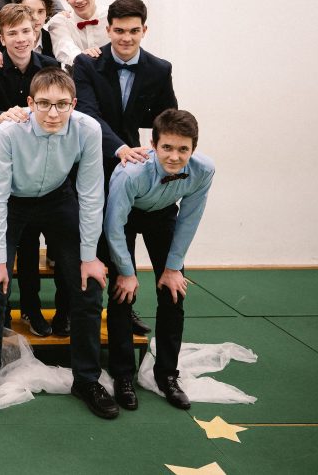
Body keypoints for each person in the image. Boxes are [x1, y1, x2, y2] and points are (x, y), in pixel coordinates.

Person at [0, 67, 111, 419]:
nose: (53, 113)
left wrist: (89, 256)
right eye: (44, 104)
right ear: (30, 103)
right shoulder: (9, 131)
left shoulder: (88, 129)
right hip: (12, 202)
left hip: (58, 198)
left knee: (88, 284)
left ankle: (87, 379)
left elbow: (91, 194)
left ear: (73, 104)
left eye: (62, 105)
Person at [73, 0, 179, 335]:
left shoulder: (160, 69)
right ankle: (88, 315)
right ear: (108, 29)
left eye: (134, 31)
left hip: (135, 168)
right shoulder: (86, 63)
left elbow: (167, 120)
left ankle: (125, 309)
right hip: (94, 165)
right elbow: (87, 114)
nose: (126, 38)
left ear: (144, 30)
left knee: (128, 238)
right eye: (119, 31)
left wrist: (161, 158)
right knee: (100, 247)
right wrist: (119, 148)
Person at [104, 109, 214, 412]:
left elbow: (190, 218)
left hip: (163, 215)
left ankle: (167, 374)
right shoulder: (131, 173)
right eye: (167, 147)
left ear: (193, 148)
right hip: (124, 218)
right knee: (122, 294)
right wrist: (126, 272)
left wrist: (174, 267)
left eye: (183, 149)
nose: (175, 157)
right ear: (153, 145)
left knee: (173, 293)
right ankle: (122, 375)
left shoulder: (204, 170)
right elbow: (113, 226)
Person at [0, 5, 63, 334]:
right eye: (12, 33)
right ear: (1, 37)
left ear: (35, 32)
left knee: (30, 241)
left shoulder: (50, 66)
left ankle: (31, 308)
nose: (21, 38)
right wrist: (3, 115)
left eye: (26, 31)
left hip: (41, 163)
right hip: (1, 162)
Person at [46, 0, 106, 65]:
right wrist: (81, 57)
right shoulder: (60, 21)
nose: (78, 0)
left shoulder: (112, 16)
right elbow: (63, 46)